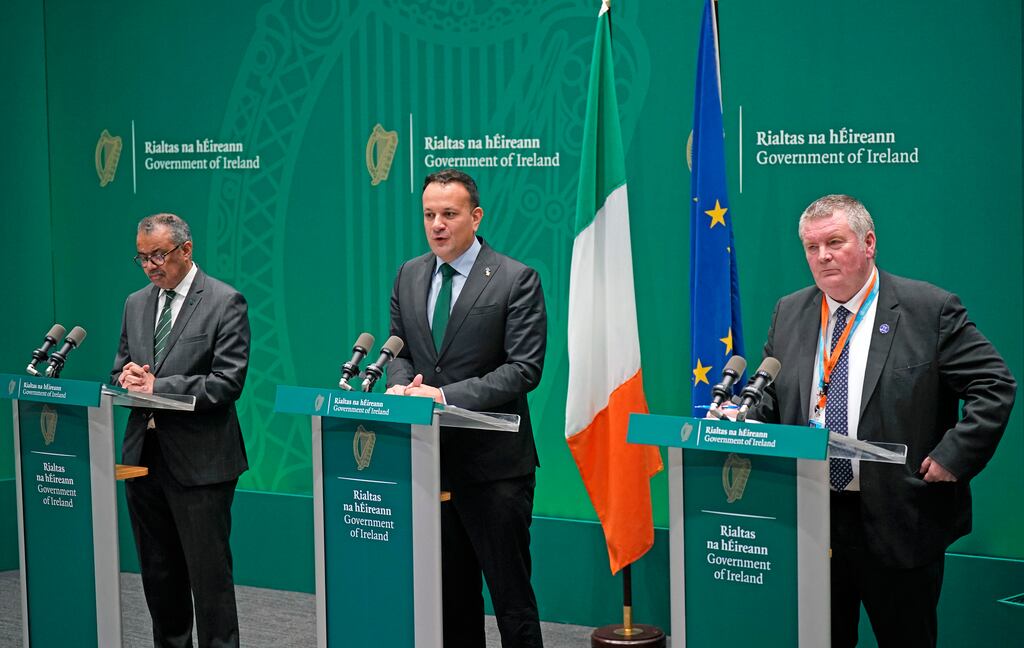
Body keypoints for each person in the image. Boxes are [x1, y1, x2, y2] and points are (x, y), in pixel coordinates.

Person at [752, 194, 1015, 647]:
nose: (823, 257)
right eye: (812, 248)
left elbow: (994, 384)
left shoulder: (928, 309)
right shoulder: (790, 311)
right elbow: (773, 398)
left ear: (869, 242)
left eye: (835, 242)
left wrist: (954, 455)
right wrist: (748, 423)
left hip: (898, 516)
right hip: (812, 518)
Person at [386, 169, 547, 647]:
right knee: (450, 600)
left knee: (511, 600)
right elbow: (399, 348)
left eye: (449, 215)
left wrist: (442, 397)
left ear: (475, 217)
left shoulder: (515, 279)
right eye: (430, 215)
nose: (438, 225)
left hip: (494, 469)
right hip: (431, 466)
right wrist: (400, 387)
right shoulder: (410, 274)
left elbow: (523, 369)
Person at [112, 213, 250, 648]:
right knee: (159, 575)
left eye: (159, 255)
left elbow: (228, 383)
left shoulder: (225, 301)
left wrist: (159, 386)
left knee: (208, 581)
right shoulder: (136, 303)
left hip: (202, 464)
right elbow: (118, 367)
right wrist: (127, 377)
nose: (151, 265)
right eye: (142, 257)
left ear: (186, 251)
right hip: (142, 460)